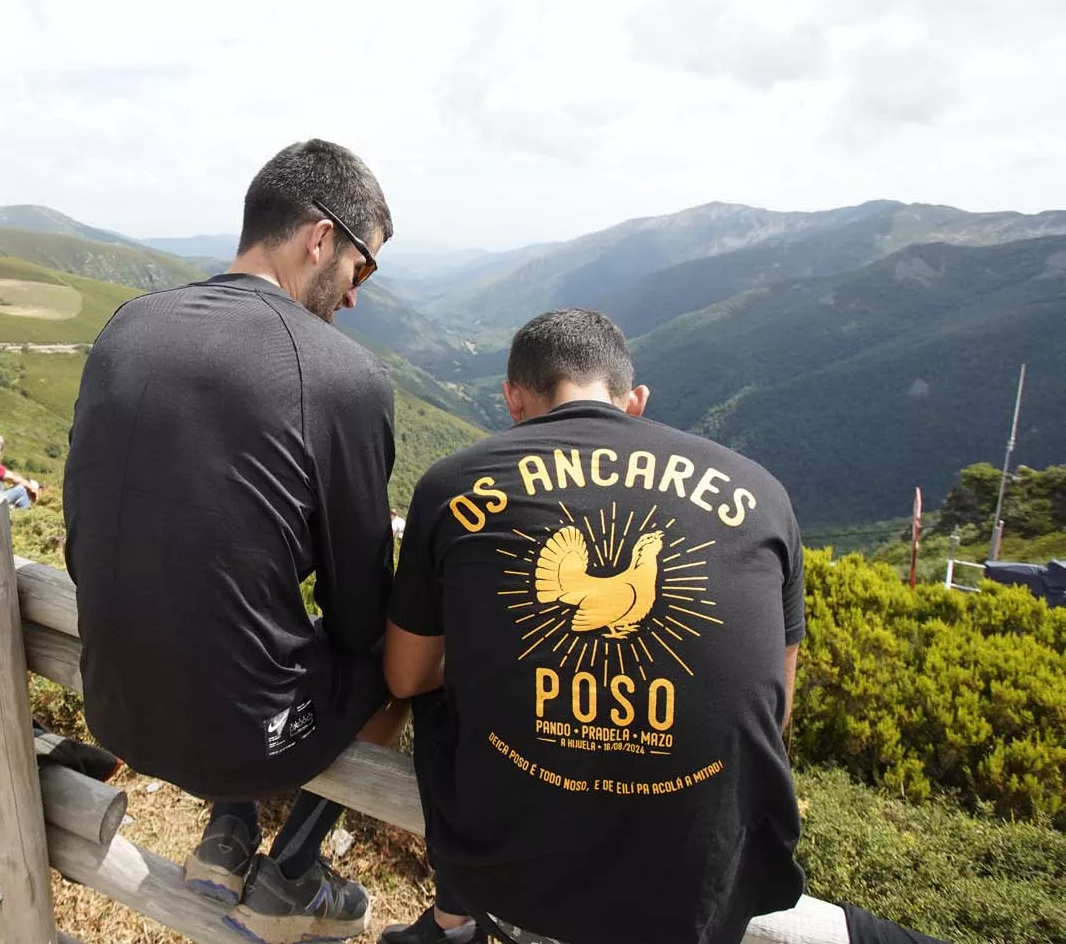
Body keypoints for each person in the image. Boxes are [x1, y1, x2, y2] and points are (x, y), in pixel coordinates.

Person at [64, 139, 404, 944]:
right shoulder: (344, 376)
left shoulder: (128, 324)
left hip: (114, 705)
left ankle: (228, 831)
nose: (356, 295)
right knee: (406, 661)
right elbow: (359, 617)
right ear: (321, 238)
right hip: (243, 739)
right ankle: (291, 872)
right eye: (365, 266)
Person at [382, 309, 805, 944]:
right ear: (635, 401)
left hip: (510, 872)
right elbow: (777, 708)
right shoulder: (763, 493)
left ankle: (455, 917)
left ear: (513, 398)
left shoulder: (452, 484)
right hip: (704, 886)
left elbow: (406, 674)